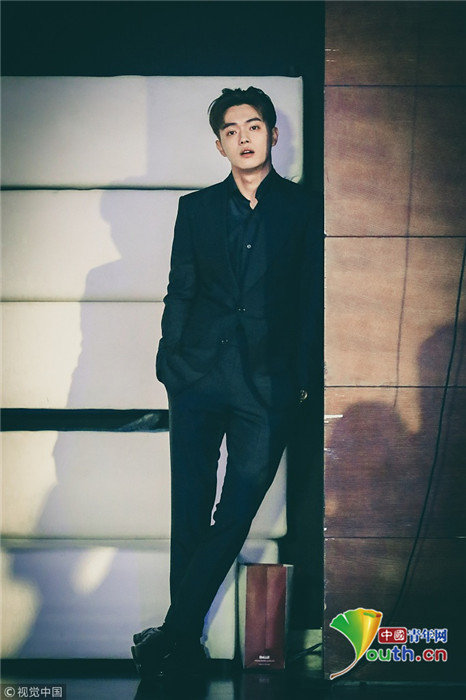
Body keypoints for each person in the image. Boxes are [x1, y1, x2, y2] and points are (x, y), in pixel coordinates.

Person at [131, 86, 322, 679]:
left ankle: (174, 634)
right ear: (219, 144)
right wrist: (170, 362)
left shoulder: (305, 208)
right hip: (196, 377)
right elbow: (181, 288)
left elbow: (311, 298)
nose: (244, 137)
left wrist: (301, 381)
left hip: (268, 386)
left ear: (273, 134)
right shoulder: (196, 209)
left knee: (234, 513)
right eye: (232, 130)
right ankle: (184, 647)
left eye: (254, 126)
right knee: (188, 509)